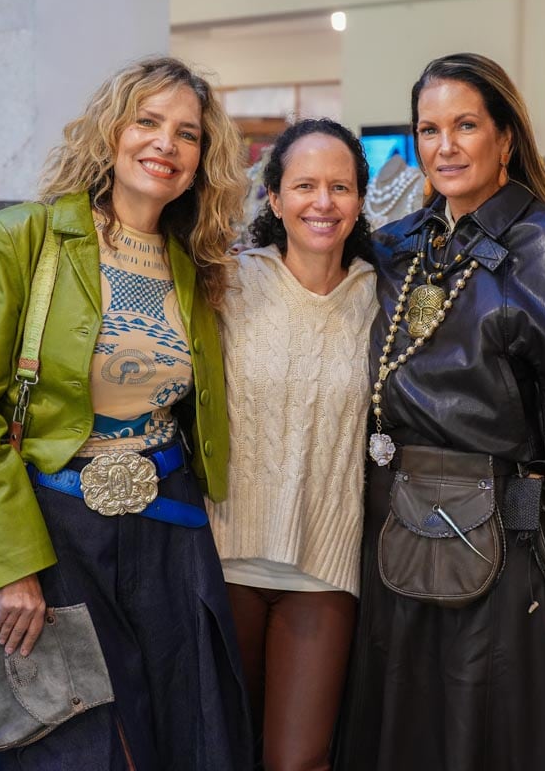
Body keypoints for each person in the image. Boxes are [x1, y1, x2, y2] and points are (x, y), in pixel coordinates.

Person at [0, 57, 251, 770]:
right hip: (54, 533)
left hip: (171, 529)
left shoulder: (196, 262)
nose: (165, 145)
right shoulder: (22, 238)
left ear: (204, 158)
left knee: (181, 734)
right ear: (110, 130)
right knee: (70, 746)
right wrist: (14, 568)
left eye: (187, 134)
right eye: (147, 121)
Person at [333, 53, 545, 770]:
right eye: (429, 129)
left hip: (502, 537)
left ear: (505, 137)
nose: (446, 146)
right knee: (406, 717)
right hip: (394, 521)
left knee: (492, 722)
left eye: (466, 125)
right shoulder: (403, 246)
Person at [210, 119, 376, 771]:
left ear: (360, 199)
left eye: (339, 186)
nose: (322, 202)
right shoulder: (227, 283)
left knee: (298, 759)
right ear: (274, 199)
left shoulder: (380, 297)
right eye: (304, 185)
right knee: (219, 748)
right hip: (224, 560)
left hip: (325, 569)